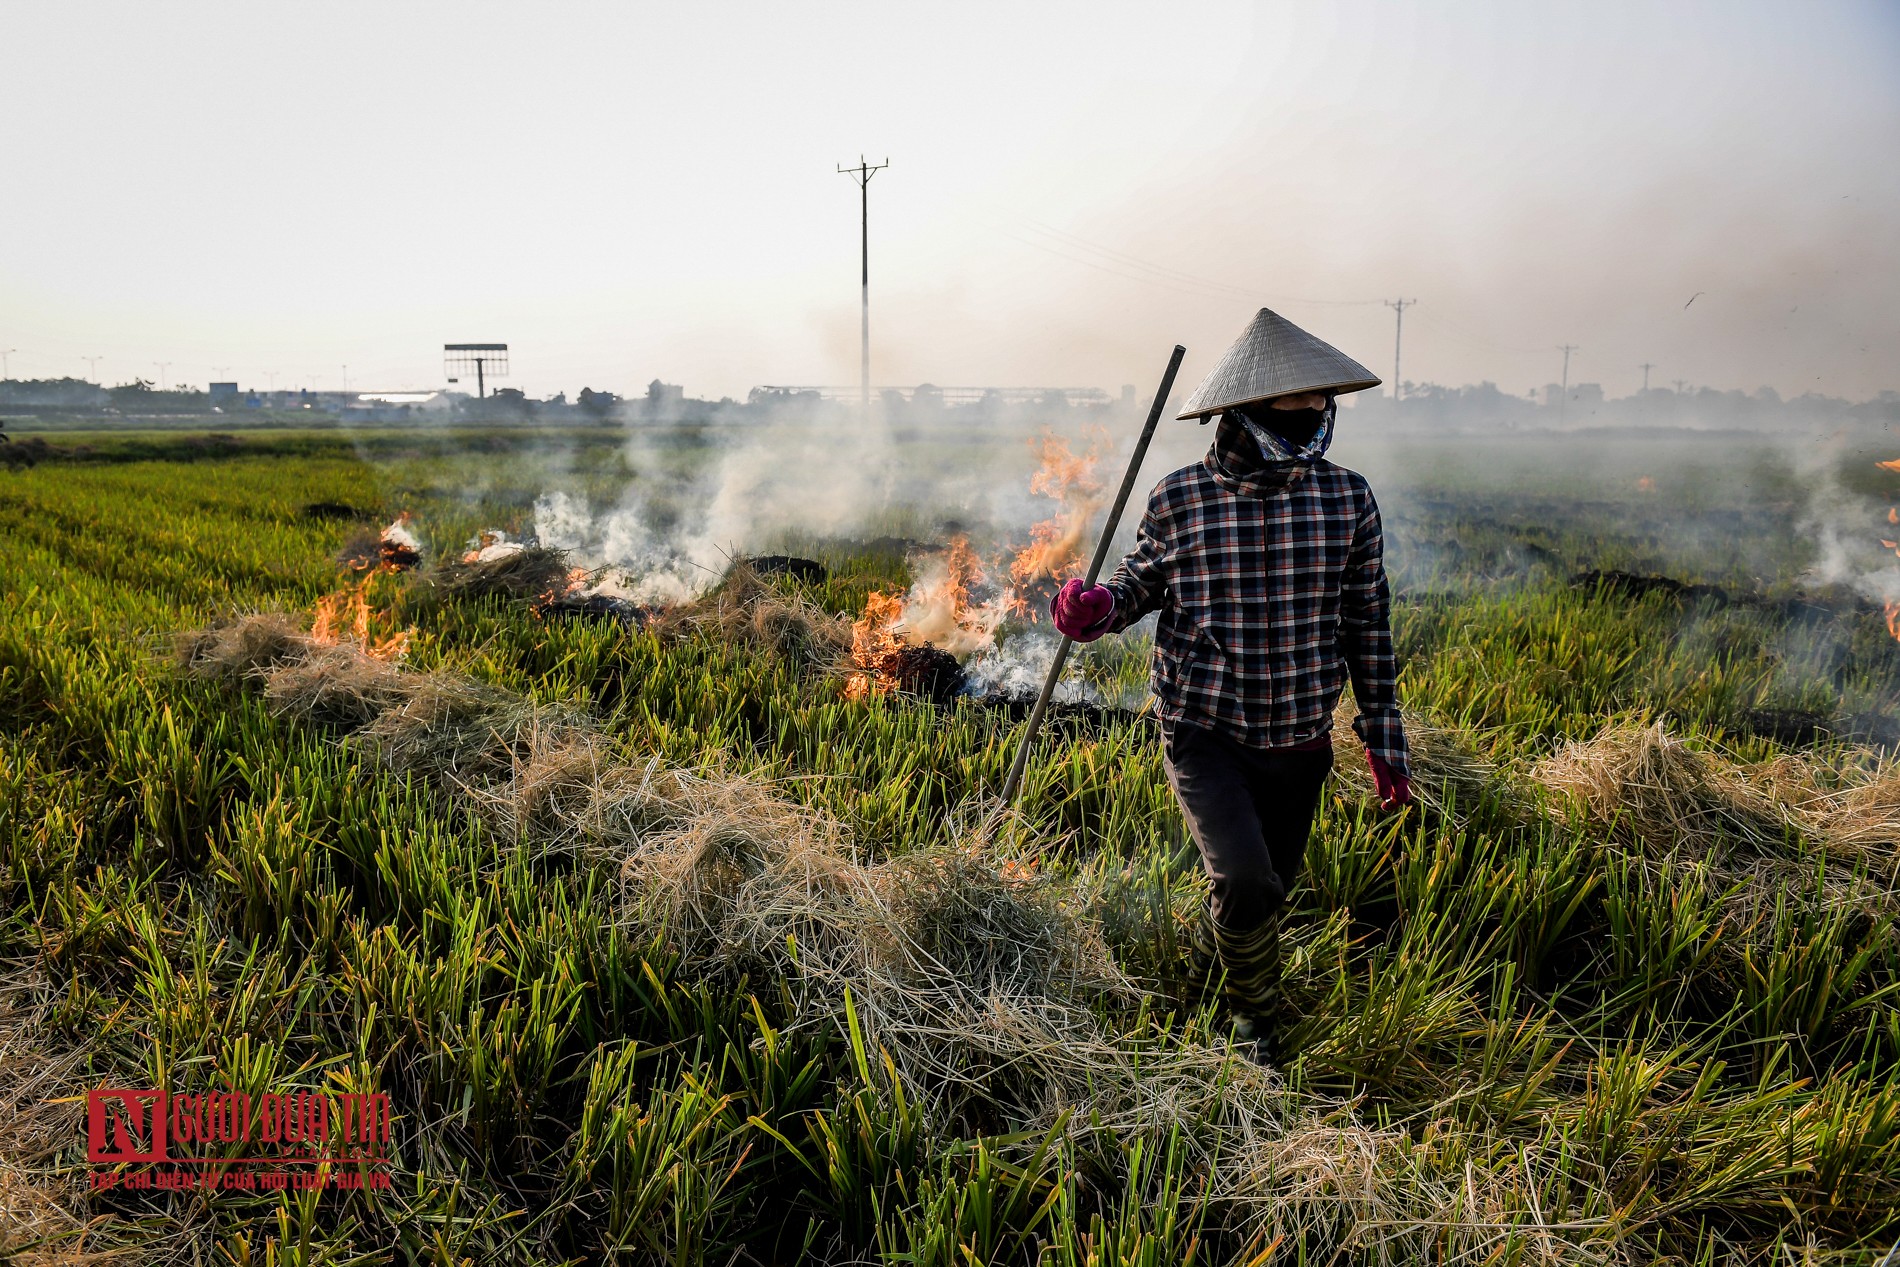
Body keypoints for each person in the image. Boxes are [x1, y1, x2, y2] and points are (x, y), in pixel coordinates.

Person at [1050, 307, 1412, 1059]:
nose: (1311, 424)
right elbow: (1140, 583)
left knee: (1268, 886)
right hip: (1204, 726)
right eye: (1292, 413)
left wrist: (1384, 736)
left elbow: (1365, 622)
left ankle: (1237, 962)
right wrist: (1098, 609)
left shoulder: (1348, 500)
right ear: (1244, 417)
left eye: (1321, 411)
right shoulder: (1181, 498)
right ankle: (1255, 1024)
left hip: (1300, 735)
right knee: (1246, 881)